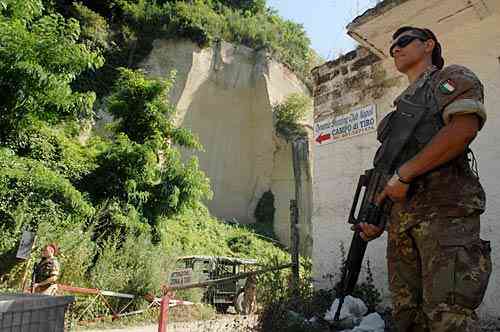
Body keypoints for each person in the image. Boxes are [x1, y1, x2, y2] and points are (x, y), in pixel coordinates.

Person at [358, 27, 492, 331]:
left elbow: (463, 128)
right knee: (408, 317)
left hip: (445, 215)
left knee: (448, 317)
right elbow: (388, 173)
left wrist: (405, 174)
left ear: (429, 44)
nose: (395, 49)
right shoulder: (397, 112)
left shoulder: (448, 79)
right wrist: (376, 218)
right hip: (403, 225)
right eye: (392, 47)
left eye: (403, 42)